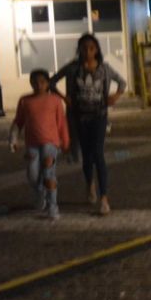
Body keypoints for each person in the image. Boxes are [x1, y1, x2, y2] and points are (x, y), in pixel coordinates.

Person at [56, 34, 127, 215]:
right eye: (84, 48)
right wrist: (64, 98)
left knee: (98, 154)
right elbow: (52, 81)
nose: (88, 51)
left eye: (91, 48)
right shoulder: (73, 68)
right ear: (79, 49)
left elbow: (122, 82)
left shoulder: (104, 68)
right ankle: (90, 184)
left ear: (97, 50)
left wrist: (115, 96)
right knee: (87, 156)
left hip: (99, 116)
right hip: (79, 118)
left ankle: (104, 198)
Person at [10, 69, 70, 219]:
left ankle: (53, 207)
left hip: (50, 143)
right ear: (31, 83)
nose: (39, 85)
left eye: (42, 82)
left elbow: (61, 123)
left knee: (49, 174)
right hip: (32, 144)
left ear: (47, 83)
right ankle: (39, 192)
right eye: (35, 82)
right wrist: (13, 138)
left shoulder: (55, 100)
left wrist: (65, 141)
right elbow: (18, 121)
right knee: (33, 175)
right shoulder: (25, 101)